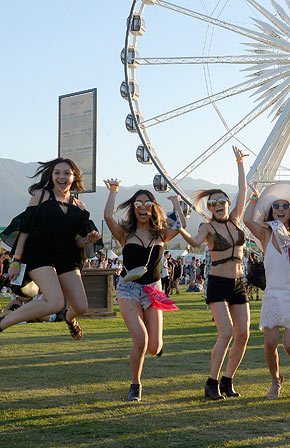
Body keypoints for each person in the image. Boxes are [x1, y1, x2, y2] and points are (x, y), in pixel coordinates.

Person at [0, 158, 101, 338]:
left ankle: (70, 319)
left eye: (66, 173)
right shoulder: (41, 196)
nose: (62, 177)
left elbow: (77, 242)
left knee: (81, 307)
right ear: (51, 175)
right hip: (39, 255)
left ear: (74, 176)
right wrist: (16, 260)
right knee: (54, 302)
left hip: (67, 257)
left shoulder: (79, 206)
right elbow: (25, 230)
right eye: (57, 173)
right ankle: (3, 323)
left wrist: (88, 240)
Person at [178, 146, 249, 401]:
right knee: (227, 333)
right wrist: (179, 229)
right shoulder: (207, 227)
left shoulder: (236, 220)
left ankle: (228, 381)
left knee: (243, 334)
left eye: (222, 201)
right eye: (213, 203)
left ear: (228, 204)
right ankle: (212, 382)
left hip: (239, 282)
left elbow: (243, 189)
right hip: (218, 282)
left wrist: (240, 162)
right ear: (209, 207)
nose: (218, 205)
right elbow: (195, 243)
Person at [103, 179, 183, 401]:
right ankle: (135, 385)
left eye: (147, 204)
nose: (142, 207)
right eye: (138, 204)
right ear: (133, 208)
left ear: (153, 208)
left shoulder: (161, 234)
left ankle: (157, 347)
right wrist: (113, 191)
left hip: (153, 290)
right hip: (128, 289)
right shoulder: (125, 234)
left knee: (154, 347)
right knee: (141, 339)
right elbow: (108, 216)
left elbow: (180, 224)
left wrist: (176, 204)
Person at [244, 182, 290, 400]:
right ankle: (276, 380)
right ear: (271, 211)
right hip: (273, 294)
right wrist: (254, 198)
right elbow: (247, 220)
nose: (281, 209)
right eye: (276, 206)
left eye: (285, 205)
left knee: (289, 345)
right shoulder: (266, 234)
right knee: (269, 344)